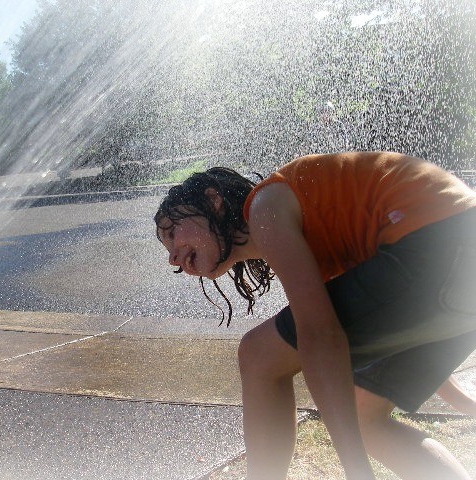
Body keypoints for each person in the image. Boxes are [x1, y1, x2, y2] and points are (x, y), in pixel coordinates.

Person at [154, 151, 476, 480]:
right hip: (458, 272)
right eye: (167, 250)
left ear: (214, 200)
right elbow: (404, 323)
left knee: (259, 355)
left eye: (172, 232)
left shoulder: (265, 207)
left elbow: (322, 339)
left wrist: (356, 471)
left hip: (440, 246)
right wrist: (464, 402)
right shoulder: (320, 238)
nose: (173, 258)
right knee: (367, 414)